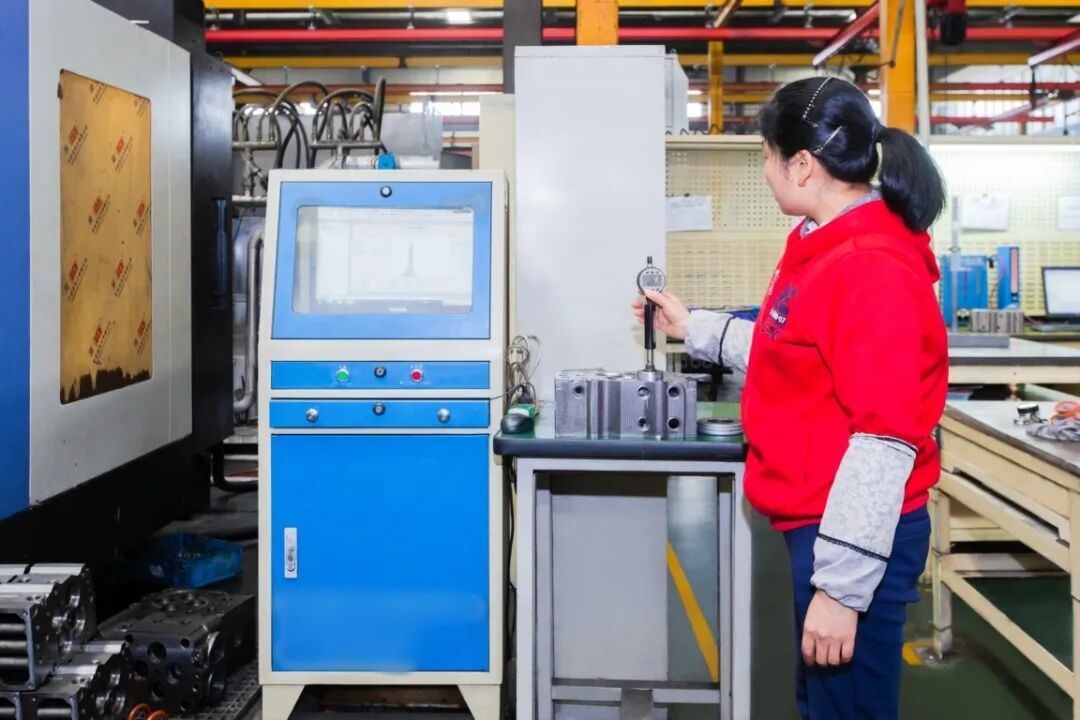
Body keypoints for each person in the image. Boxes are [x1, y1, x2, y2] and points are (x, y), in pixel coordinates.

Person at [633, 76, 949, 719]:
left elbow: (885, 437)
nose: (766, 171)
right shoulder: (819, 244)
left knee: (845, 710)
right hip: (821, 522)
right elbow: (792, 348)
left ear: (801, 165)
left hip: (853, 532)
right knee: (821, 704)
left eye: (767, 157)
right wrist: (693, 327)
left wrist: (841, 589)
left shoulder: (870, 266)